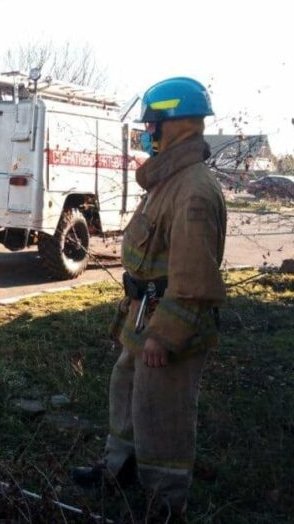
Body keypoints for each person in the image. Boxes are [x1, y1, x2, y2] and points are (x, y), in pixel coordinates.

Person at [72, 77, 227, 517]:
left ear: (172, 125)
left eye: (152, 124)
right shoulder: (168, 181)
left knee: (164, 412)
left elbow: (194, 280)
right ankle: (118, 469)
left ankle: (165, 502)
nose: (147, 132)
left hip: (168, 323)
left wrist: (165, 335)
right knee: (127, 390)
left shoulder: (193, 191)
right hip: (145, 316)